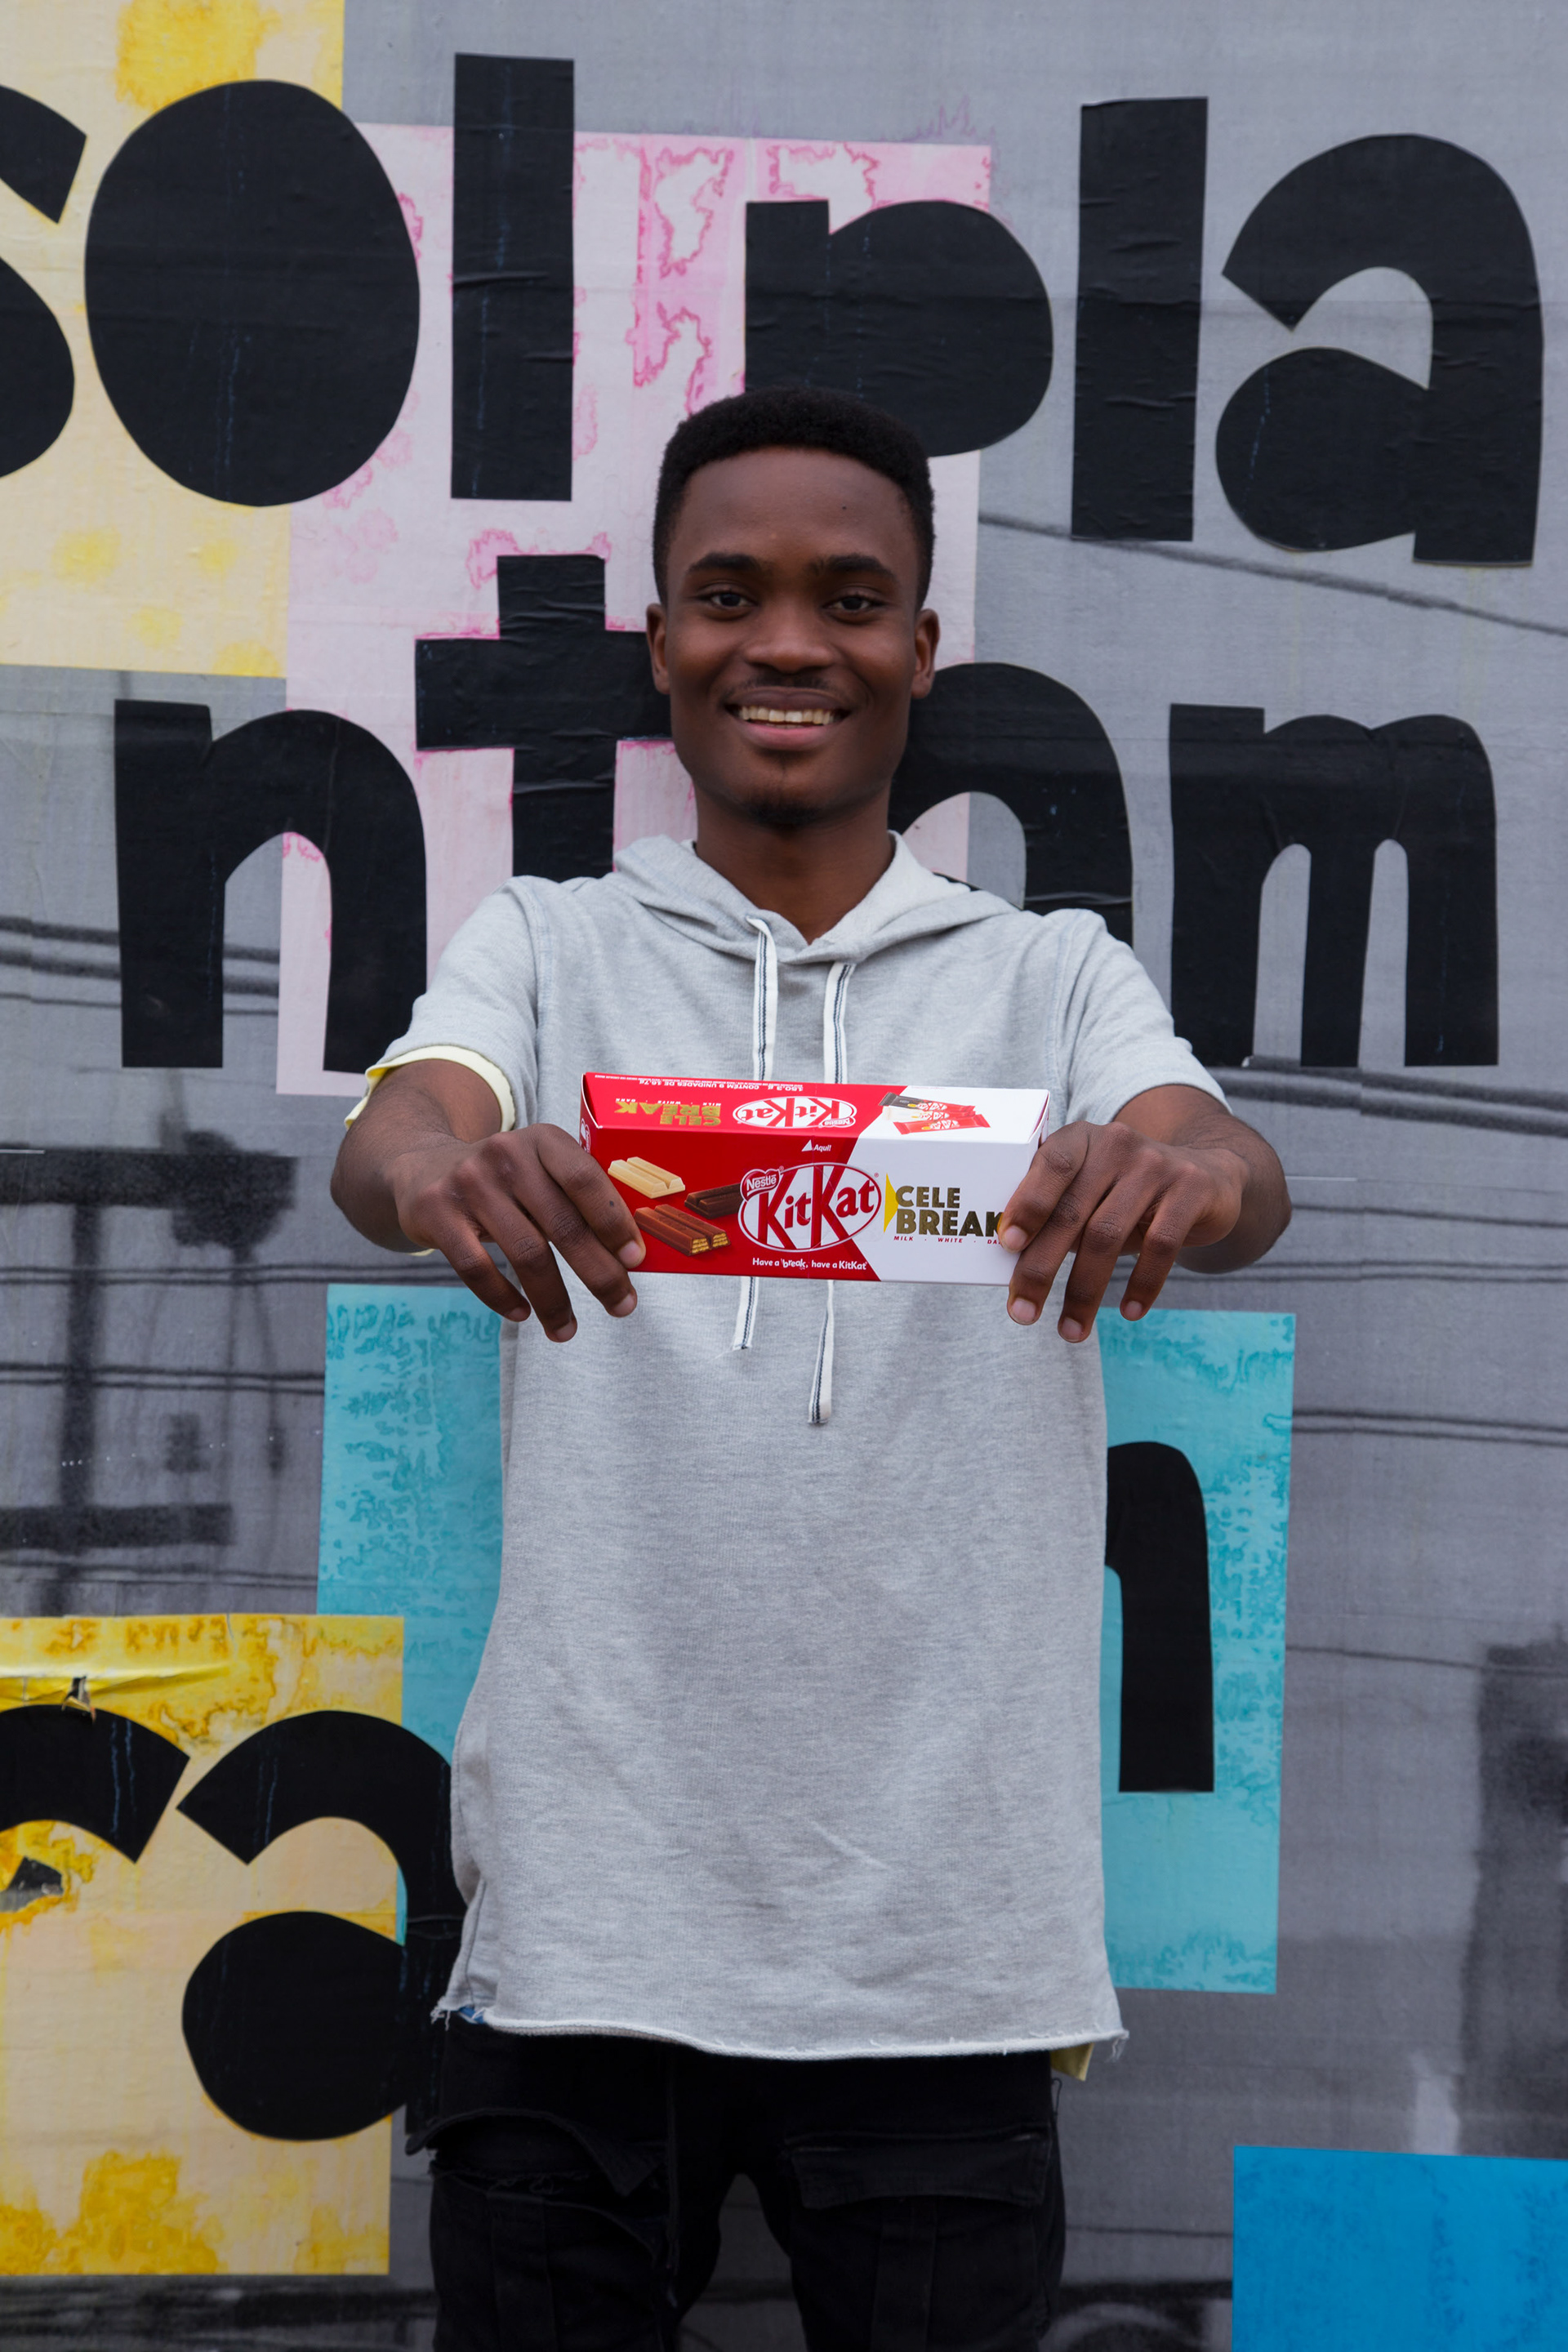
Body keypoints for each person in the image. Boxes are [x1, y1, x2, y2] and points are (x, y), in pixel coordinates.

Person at [332, 385, 1290, 2350]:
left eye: (850, 599)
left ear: (921, 649)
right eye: (728, 595)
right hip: (584, 1936)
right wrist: (441, 1169)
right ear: (659, 643)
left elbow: (1226, 1162)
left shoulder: (1050, 975)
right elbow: (403, 1124)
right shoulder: (549, 945)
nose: (787, 642)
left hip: (947, 1954)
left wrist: (1185, 1172)